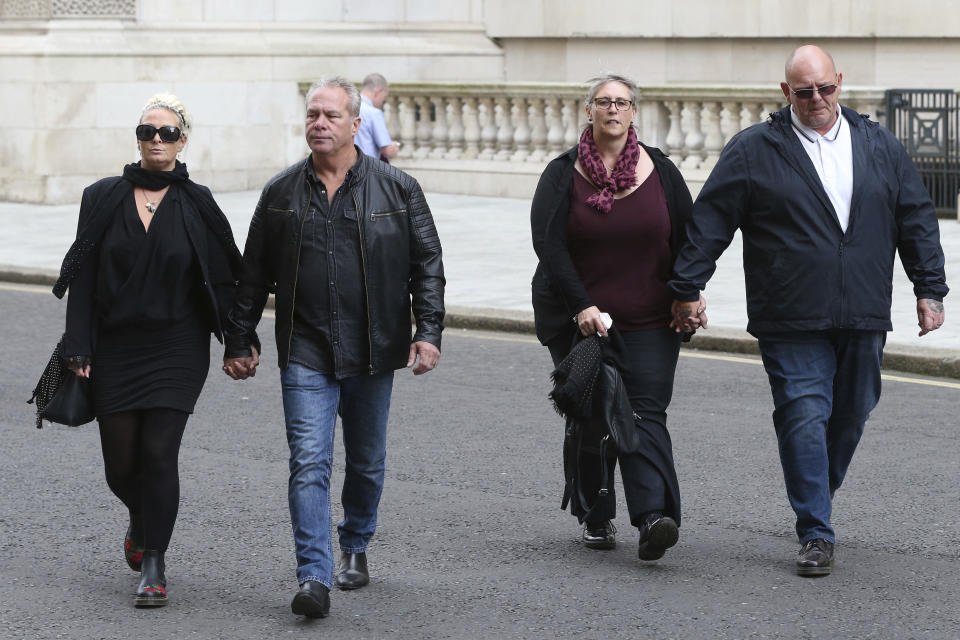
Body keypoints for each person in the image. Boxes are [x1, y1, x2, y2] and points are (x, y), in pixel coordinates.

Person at [669, 45, 948, 576]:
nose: (817, 99)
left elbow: (915, 216)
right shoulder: (754, 149)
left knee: (852, 412)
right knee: (802, 413)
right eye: (804, 92)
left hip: (864, 307)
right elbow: (711, 222)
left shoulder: (878, 143)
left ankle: (816, 488)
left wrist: (929, 288)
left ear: (839, 82)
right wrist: (686, 286)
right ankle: (815, 529)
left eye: (826, 88)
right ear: (785, 93)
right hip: (789, 312)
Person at [222, 76, 444, 619]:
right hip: (305, 347)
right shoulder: (279, 193)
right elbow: (252, 276)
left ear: (355, 123)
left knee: (366, 462)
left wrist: (428, 330)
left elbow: (427, 265)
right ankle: (313, 576)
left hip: (374, 347)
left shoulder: (398, 188)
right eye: (312, 115)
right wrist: (240, 337)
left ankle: (356, 543)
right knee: (309, 463)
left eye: (330, 116)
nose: (318, 124)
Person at [53, 93, 253, 607]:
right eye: (147, 132)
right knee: (121, 466)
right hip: (116, 345)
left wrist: (237, 340)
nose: (156, 141)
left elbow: (224, 278)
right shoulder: (102, 197)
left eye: (166, 133)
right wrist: (78, 345)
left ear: (183, 140)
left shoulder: (197, 202)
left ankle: (155, 564)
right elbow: (84, 275)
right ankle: (141, 518)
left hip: (177, 347)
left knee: (160, 454)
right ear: (137, 139)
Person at [530, 73, 702, 562]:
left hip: (651, 318)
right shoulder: (561, 173)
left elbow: (689, 239)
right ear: (589, 111)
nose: (612, 110)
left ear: (633, 113)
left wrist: (691, 294)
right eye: (603, 102)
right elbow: (550, 246)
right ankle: (597, 512)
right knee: (596, 415)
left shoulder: (661, 171)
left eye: (622, 102)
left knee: (645, 413)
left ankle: (653, 518)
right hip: (579, 320)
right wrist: (581, 305)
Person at [355, 73, 400, 161]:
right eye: (384, 96)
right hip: (366, 167)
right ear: (377, 91)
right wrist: (395, 146)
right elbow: (387, 151)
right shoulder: (373, 113)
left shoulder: (347, 107)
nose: (383, 101)